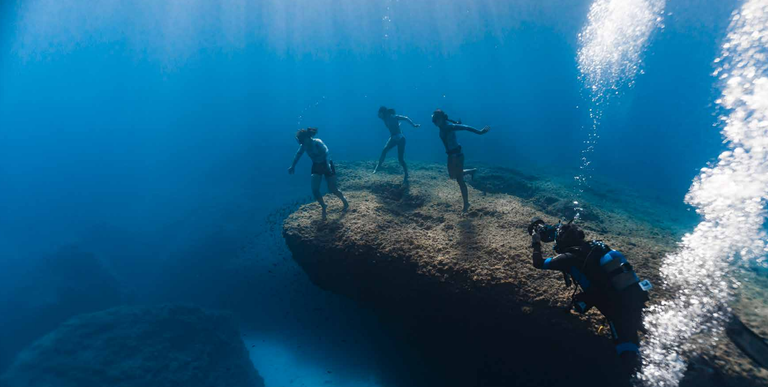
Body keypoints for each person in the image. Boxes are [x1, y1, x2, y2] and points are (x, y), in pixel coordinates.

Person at [528, 219, 651, 375]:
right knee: (645, 328)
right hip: (632, 296)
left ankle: (643, 378)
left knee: (627, 351)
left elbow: (538, 263)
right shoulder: (595, 247)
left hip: (616, 309)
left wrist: (536, 242)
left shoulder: (569, 258)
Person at [431, 109, 490, 212]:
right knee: (452, 176)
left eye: (437, 119)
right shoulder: (444, 125)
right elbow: (457, 124)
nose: (435, 121)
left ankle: (466, 204)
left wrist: (480, 132)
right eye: (435, 119)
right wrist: (457, 123)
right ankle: (471, 171)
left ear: (442, 118)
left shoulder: (449, 126)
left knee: (459, 180)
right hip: (451, 155)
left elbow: (465, 127)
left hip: (457, 155)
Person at [289, 128, 349, 219]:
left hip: (326, 164)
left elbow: (327, 153)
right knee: (315, 189)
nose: (301, 143)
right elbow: (297, 155)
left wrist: (328, 166)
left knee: (332, 188)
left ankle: (344, 201)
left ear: (307, 137)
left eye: (302, 140)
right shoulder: (303, 146)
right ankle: (323, 206)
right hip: (316, 165)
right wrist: (292, 166)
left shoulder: (317, 142)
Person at [373, 106, 420, 183]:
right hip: (393, 138)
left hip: (400, 138)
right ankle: (378, 167)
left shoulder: (393, 117)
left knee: (400, 159)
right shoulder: (384, 119)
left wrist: (414, 125)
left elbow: (405, 118)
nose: (379, 115)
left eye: (380, 113)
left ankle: (406, 173)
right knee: (384, 150)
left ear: (383, 113)